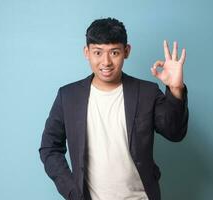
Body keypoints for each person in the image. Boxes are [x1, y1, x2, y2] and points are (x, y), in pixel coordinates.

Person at [39, 17, 189, 200]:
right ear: (86, 52)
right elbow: (49, 147)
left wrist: (175, 90)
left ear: (126, 51)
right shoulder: (68, 96)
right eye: (98, 52)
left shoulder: (147, 93)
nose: (106, 62)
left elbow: (174, 133)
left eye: (114, 53)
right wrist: (73, 192)